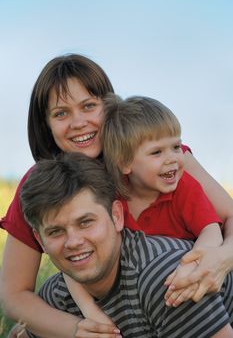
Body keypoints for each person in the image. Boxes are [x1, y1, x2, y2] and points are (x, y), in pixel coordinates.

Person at [0, 54, 233, 337]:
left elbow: (228, 217)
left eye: (89, 106)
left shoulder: (160, 161)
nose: (78, 122)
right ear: (46, 125)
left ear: (109, 107)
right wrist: (75, 330)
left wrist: (221, 259)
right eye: (61, 113)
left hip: (189, 295)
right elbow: (14, 294)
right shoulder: (42, 191)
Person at [20, 152, 233, 338]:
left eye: (86, 222)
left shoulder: (167, 279)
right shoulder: (56, 298)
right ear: (40, 241)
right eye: (56, 232)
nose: (73, 242)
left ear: (117, 216)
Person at [101, 94, 225, 306]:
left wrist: (192, 263)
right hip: (142, 289)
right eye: (157, 152)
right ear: (125, 163)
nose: (173, 159)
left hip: (189, 279)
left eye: (176, 147)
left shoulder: (184, 189)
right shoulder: (113, 197)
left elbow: (211, 230)